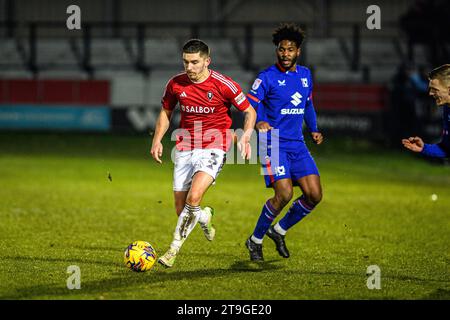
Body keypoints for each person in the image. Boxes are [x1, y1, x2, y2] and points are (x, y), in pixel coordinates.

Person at [151, 39, 256, 268]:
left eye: (195, 62)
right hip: (185, 147)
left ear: (207, 61)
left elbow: (249, 111)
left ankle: (172, 249)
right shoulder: (176, 84)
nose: (189, 67)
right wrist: (157, 139)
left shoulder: (223, 84)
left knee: (194, 198)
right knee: (182, 210)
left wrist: (246, 136)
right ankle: (204, 216)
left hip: (214, 147)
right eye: (185, 62)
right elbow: (166, 112)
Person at [245, 23, 323, 261]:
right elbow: (250, 105)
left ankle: (278, 231)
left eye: (290, 50)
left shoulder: (305, 76)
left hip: (297, 144)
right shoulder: (266, 77)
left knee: (314, 195)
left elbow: (308, 105)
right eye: (281, 49)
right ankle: (255, 241)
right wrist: (259, 122)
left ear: (298, 51)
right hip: (273, 143)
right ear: (277, 50)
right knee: (284, 194)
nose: (285, 54)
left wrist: (314, 129)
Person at [402, 64, 450, 158]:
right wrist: (424, 148)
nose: (430, 93)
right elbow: (447, 149)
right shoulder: (447, 109)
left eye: (435, 89)